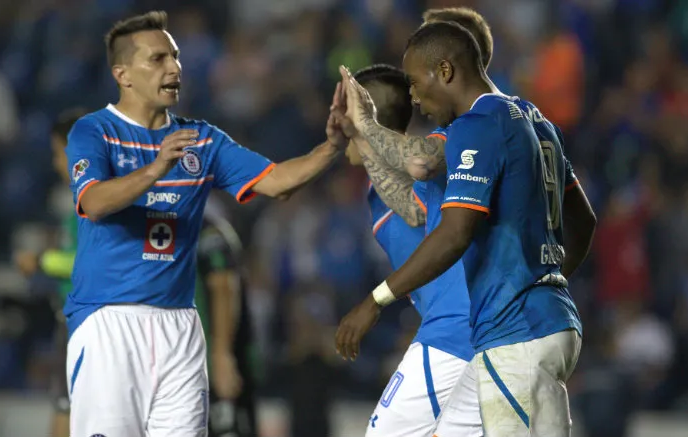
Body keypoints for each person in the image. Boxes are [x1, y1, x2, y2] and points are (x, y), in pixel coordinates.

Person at [64, 11, 344, 437]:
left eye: (175, 57)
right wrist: (156, 168)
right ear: (123, 74)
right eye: (157, 59)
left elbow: (279, 182)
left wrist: (333, 146)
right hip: (108, 323)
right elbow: (94, 201)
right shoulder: (94, 131)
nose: (175, 68)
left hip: (180, 325)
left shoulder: (203, 140)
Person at [335, 21, 596, 437]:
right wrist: (548, 281)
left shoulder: (477, 126)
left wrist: (376, 300)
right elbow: (584, 222)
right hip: (545, 322)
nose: (415, 98)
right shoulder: (538, 121)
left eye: (417, 83)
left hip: (514, 331)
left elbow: (454, 234)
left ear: (445, 70)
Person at [338, 64, 480, 437]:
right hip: (463, 333)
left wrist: (375, 301)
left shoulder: (426, 168)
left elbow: (419, 210)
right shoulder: (378, 186)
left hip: (454, 333)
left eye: (342, 113)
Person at [13, 107, 86, 437]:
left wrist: (42, 261)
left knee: (69, 416)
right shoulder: (80, 200)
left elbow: (90, 261)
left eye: (59, 154)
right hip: (73, 322)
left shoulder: (97, 199)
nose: (56, 164)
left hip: (88, 325)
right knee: (64, 412)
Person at [194, 200, 258, 437]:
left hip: (211, 361)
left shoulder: (206, 230)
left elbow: (223, 286)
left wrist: (222, 355)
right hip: (191, 362)